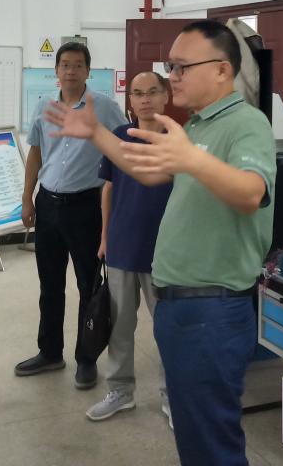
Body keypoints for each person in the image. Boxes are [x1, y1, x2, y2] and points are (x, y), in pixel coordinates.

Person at [45, 20, 275, 465]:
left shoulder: (246, 123)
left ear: (223, 70)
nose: (173, 76)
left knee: (213, 441)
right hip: (182, 304)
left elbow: (251, 192)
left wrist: (191, 159)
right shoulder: (200, 127)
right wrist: (97, 134)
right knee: (195, 436)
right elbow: (148, 171)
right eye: (172, 67)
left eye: (183, 67)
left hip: (212, 308)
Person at [14, 41, 127, 390]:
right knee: (50, 285)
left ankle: (86, 358)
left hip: (86, 207)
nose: (71, 71)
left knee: (87, 286)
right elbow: (36, 153)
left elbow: (123, 150)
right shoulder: (44, 107)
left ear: (88, 71)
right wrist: (27, 197)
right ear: (56, 70)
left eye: (78, 65)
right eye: (65, 65)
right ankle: (50, 352)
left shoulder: (105, 107)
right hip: (48, 204)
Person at [85, 71, 173, 425]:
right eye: (137, 93)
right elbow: (108, 188)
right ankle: (120, 391)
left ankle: (172, 395)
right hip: (122, 246)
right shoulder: (120, 137)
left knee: (167, 329)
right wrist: (105, 236)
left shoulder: (178, 142)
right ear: (130, 100)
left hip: (165, 253)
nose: (145, 99)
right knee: (119, 326)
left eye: (152, 92)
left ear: (166, 95)